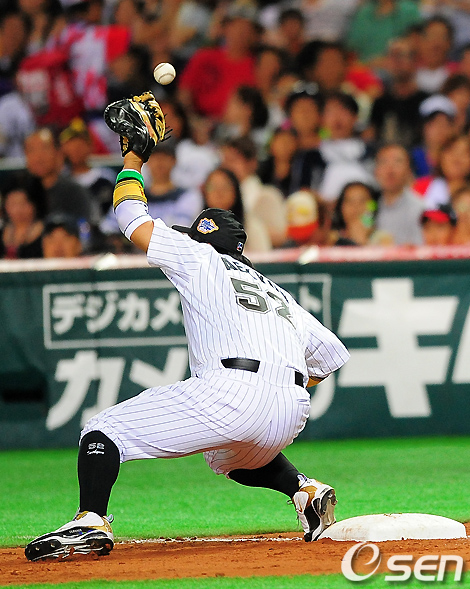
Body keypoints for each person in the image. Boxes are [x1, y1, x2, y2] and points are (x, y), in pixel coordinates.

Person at [25, 91, 350, 561]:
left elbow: (130, 217)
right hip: (289, 409)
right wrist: (280, 383)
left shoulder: (199, 256)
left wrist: (134, 159)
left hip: (230, 391)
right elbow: (332, 356)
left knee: (102, 431)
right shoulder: (276, 292)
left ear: (203, 239)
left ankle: (90, 520)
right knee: (225, 457)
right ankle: (304, 490)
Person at [374, 143, 425, 245]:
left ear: (409, 171)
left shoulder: (420, 209)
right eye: (383, 162)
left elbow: (421, 247)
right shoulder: (371, 204)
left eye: (397, 162)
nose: (390, 169)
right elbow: (365, 227)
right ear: (375, 171)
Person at [0, 180, 44, 259]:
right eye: (13, 203)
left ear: (34, 204)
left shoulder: (47, 232)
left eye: (23, 203)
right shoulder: (2, 229)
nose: (18, 209)